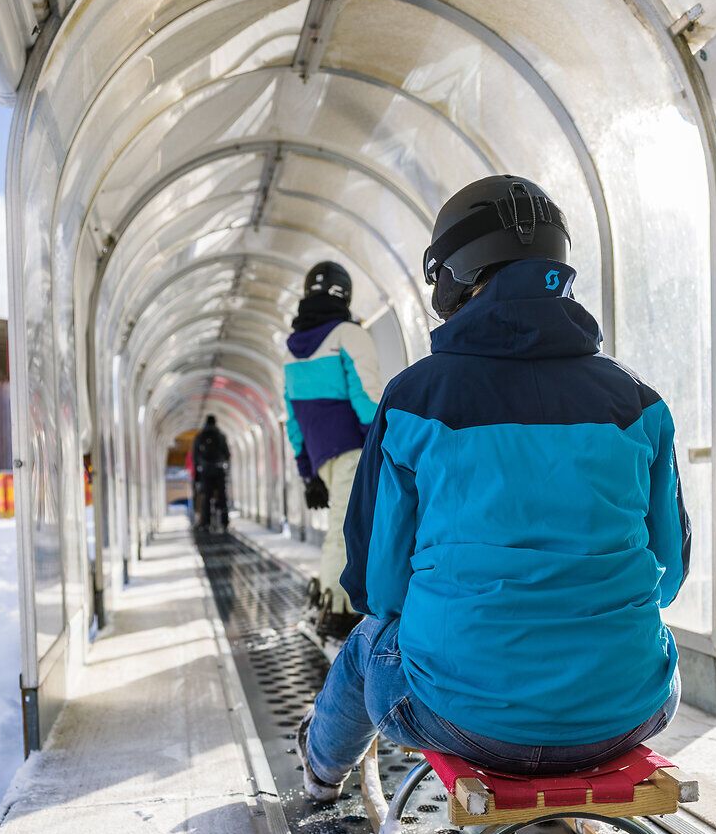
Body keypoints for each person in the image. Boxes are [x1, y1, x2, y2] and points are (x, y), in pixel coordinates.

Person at [295, 175, 688, 800]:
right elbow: (667, 575)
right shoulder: (637, 403)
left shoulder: (417, 399)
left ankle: (320, 774)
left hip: (462, 719)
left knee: (368, 642)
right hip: (627, 712)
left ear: (452, 273)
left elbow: (379, 584)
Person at [282, 261, 383, 639]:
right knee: (348, 532)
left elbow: (293, 420)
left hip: (323, 457)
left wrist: (308, 472)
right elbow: (367, 397)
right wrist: (380, 445)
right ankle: (339, 611)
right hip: (355, 451)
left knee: (340, 529)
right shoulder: (348, 335)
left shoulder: (291, 352)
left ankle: (332, 601)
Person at [190, 414, 230, 531]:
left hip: (205, 472)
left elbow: (195, 456)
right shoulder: (221, 436)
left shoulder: (200, 436)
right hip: (219, 470)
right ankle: (224, 521)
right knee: (222, 497)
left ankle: (206, 523)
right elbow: (227, 454)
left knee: (206, 497)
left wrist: (197, 475)